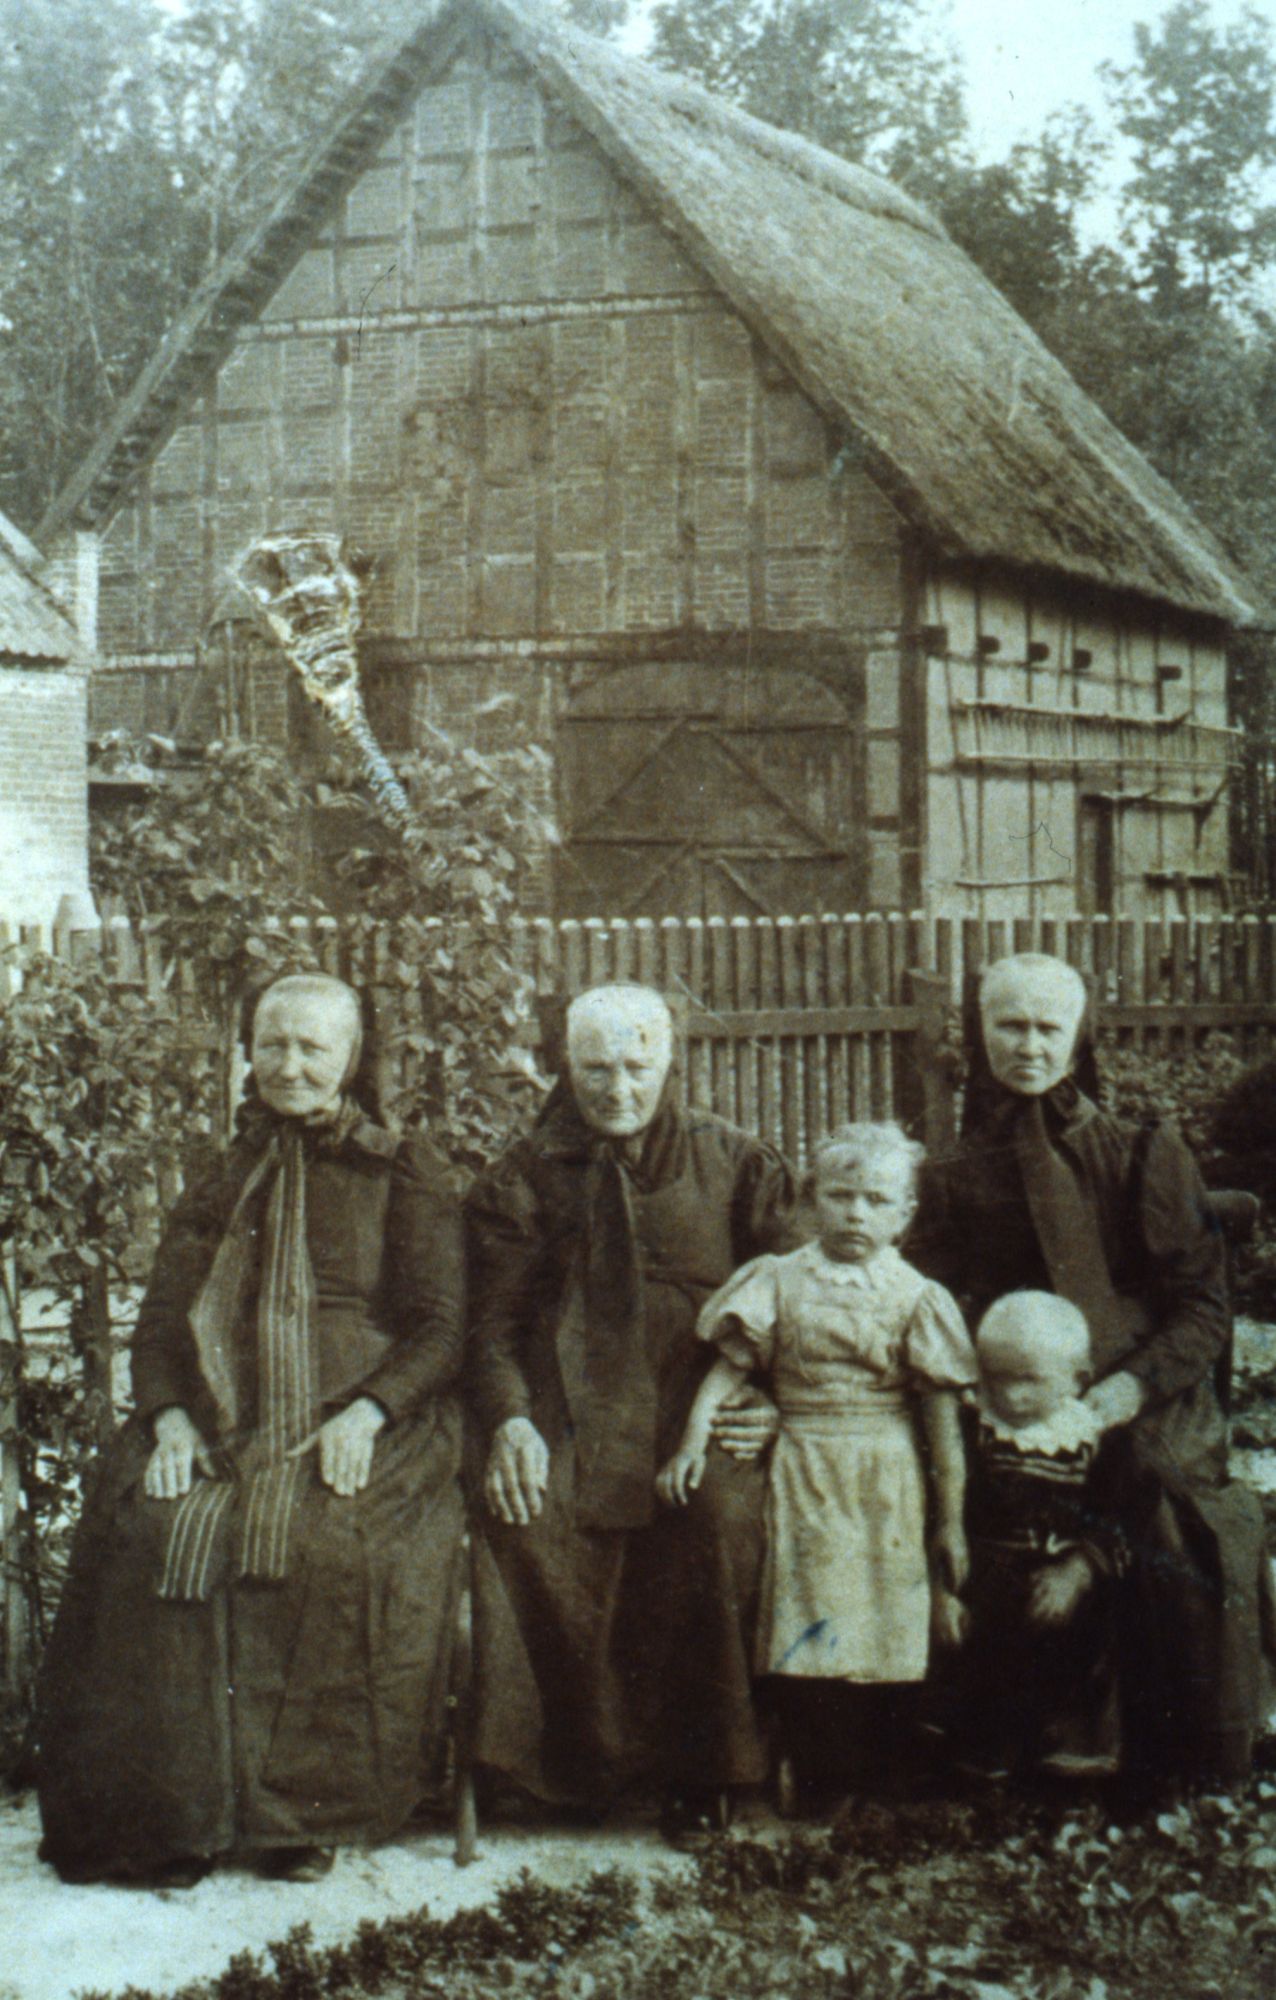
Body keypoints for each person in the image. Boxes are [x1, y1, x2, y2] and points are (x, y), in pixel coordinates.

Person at [34, 973, 465, 1887]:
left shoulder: (403, 1169)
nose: (291, 1065)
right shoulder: (222, 1174)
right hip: (221, 1422)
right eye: (274, 1044)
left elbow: (440, 1327)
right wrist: (170, 1421)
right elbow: (161, 1322)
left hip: (363, 1420)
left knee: (320, 1542)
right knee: (155, 1530)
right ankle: (171, 1817)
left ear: (352, 1057)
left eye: (313, 1047)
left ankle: (297, 1820)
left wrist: (370, 1411)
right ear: (249, 1051)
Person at [912, 951, 1272, 1791]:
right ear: (980, 1032)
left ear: (1079, 1037)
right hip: (1010, 1387)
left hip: (1141, 1385)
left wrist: (1117, 1395)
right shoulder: (954, 1172)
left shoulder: (1143, 1151)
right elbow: (922, 1299)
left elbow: (1202, 1308)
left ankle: (1171, 1746)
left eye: (1049, 1027)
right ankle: (1007, 1726)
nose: (1029, 1045)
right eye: (1010, 1025)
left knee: (1156, 1487)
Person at [464, 983, 797, 1831]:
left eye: (637, 1068)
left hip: (700, 1403)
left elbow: (799, 1299)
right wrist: (510, 1421)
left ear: (670, 1061)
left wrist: (773, 1400)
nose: (618, 1090)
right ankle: (568, 1771)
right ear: (563, 1066)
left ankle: (706, 1768)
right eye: (596, 1070)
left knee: (715, 1517)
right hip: (568, 1404)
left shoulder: (737, 1163)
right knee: (529, 1517)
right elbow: (492, 1324)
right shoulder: (522, 1177)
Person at [661, 1122, 975, 1804]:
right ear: (811, 1200)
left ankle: (878, 1775)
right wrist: (690, 1443)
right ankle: (811, 1766)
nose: (856, 1213)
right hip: (803, 1463)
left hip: (886, 1474)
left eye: (876, 1200)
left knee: (884, 1609)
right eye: (840, 1195)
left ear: (905, 1214)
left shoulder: (917, 1297)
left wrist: (951, 1521)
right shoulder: (778, 1279)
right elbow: (727, 1369)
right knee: (807, 1609)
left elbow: (942, 1427)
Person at [933, 1291, 1121, 1783]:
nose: (1011, 1396)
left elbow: (1116, 1512)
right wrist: (945, 1588)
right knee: (985, 1644)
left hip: (1064, 1574)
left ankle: (1066, 1733)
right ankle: (984, 1743)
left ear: (1078, 1380)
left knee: (1079, 1635)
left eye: (1030, 1380)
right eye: (996, 1378)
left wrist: (1079, 1568)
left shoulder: (1092, 1439)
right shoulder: (977, 1432)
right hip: (990, 1570)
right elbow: (949, 1509)